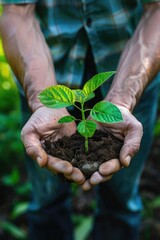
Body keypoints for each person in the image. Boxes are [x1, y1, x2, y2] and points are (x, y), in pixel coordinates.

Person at [0, 1, 160, 239]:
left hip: (134, 70)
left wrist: (122, 101)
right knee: (46, 200)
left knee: (121, 202)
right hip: (45, 71)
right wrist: (43, 102)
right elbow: (17, 11)